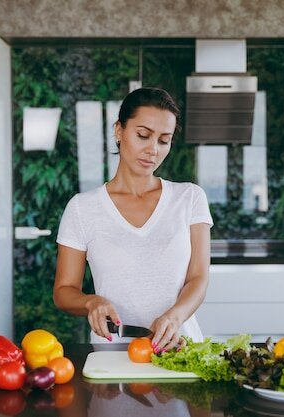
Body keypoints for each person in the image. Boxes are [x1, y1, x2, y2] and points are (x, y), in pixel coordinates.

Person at [54, 87, 213, 353]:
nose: (153, 149)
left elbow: (198, 278)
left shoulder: (190, 198)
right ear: (119, 131)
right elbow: (64, 290)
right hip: (113, 356)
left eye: (164, 140)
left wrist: (174, 316)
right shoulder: (83, 208)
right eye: (143, 135)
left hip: (180, 351)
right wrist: (91, 302)